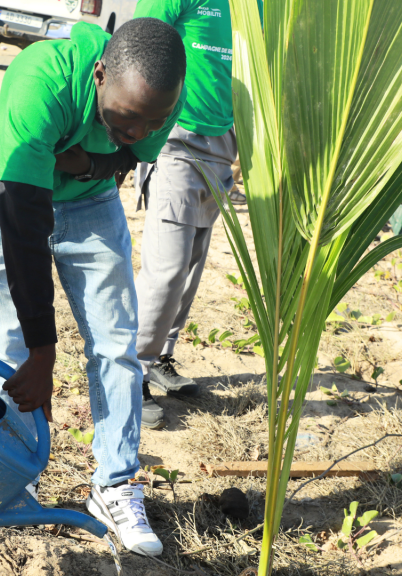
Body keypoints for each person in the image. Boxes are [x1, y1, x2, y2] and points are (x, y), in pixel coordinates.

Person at [0, 18, 185, 556]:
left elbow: (132, 155)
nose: (137, 130)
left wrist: (91, 161)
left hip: (91, 202)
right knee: (8, 349)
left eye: (150, 121)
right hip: (10, 196)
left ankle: (113, 484)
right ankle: (17, 475)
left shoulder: (160, 93)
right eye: (126, 118)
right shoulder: (39, 84)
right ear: (100, 73)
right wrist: (44, 352)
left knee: (115, 346)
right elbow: (23, 227)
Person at [129, 0, 236, 429]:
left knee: (191, 264)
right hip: (175, 140)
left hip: (222, 144)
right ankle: (130, 372)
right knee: (167, 270)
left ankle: (160, 356)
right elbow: (136, 51)